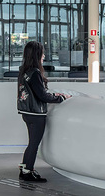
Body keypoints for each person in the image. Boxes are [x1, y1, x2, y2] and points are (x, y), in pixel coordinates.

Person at [16, 41, 69, 182]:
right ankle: (28, 172)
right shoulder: (35, 73)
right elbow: (42, 96)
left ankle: (25, 169)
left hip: (26, 112)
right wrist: (61, 98)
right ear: (37, 55)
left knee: (31, 143)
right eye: (42, 53)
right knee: (34, 144)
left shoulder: (23, 71)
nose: (44, 56)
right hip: (36, 114)